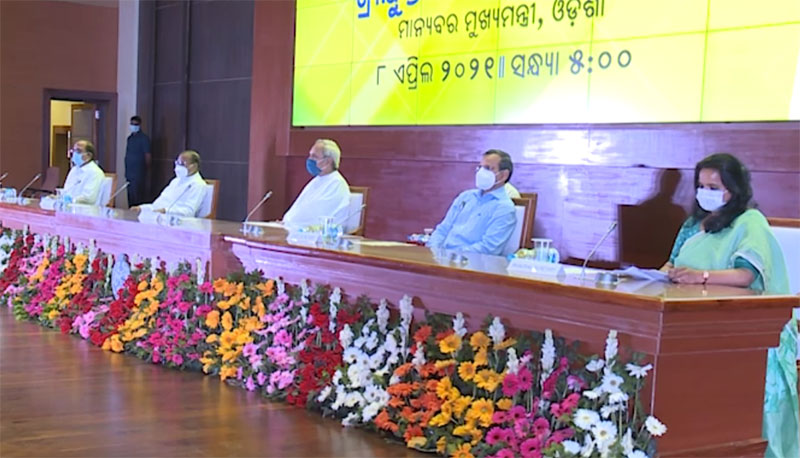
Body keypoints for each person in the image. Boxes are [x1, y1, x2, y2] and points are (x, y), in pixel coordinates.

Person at [662, 153, 789, 294]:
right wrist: (658, 276)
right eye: (701, 186)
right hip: (681, 296)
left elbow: (746, 275)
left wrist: (701, 276)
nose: (705, 192)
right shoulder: (693, 222)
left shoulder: (750, 221)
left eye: (713, 188)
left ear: (734, 189)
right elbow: (671, 263)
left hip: (730, 302)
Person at [427, 149, 517, 256]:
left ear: (503, 175)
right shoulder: (466, 197)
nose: (481, 172)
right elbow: (443, 229)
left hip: (469, 262)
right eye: (480, 167)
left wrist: (451, 256)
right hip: (441, 258)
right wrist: (433, 250)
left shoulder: (505, 208)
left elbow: (488, 248)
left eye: (487, 168)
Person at [282, 139, 350, 229]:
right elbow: (299, 207)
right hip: (296, 228)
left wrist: (289, 223)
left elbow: (315, 215)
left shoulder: (336, 184)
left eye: (314, 156)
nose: (309, 160)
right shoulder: (317, 180)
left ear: (328, 161)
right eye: (310, 155)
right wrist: (286, 222)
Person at [131, 150, 206, 217]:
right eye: (177, 163)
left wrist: (165, 211)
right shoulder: (176, 181)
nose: (178, 166)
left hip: (179, 221)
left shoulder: (198, 185)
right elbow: (158, 205)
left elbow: (189, 212)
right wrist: (142, 208)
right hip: (161, 218)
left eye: (182, 164)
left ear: (193, 166)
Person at [63, 140, 105, 205]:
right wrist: (59, 197)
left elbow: (89, 198)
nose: (74, 153)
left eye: (78, 151)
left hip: (85, 208)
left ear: (89, 155)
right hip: (69, 206)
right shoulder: (74, 169)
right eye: (74, 150)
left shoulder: (95, 172)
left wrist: (71, 200)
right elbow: (66, 190)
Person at [125, 115, 151, 206]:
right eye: (132, 124)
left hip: (138, 172)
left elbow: (147, 155)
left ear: (139, 125)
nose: (133, 126)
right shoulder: (130, 138)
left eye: (135, 124)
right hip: (129, 172)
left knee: (137, 197)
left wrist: (146, 169)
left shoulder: (144, 138)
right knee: (130, 196)